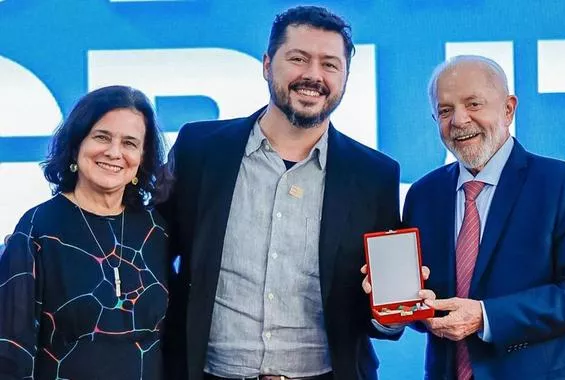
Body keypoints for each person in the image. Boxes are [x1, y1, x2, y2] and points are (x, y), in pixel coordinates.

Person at [160, 6, 436, 380]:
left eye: (329, 64)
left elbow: (378, 316)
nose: (313, 75)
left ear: (345, 77)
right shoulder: (200, 149)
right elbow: (151, 252)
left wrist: (393, 311)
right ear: (267, 64)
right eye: (298, 59)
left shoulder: (374, 175)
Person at [401, 55, 565, 379]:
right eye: (445, 110)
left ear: (509, 109)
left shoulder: (562, 184)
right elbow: (422, 306)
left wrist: (485, 316)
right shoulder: (423, 195)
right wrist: (404, 304)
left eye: (474, 104)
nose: (459, 120)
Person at [0, 85, 170, 379]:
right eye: (102, 137)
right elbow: (11, 351)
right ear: (76, 144)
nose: (114, 152)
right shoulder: (37, 227)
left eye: (130, 143)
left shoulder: (158, 230)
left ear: (143, 157)